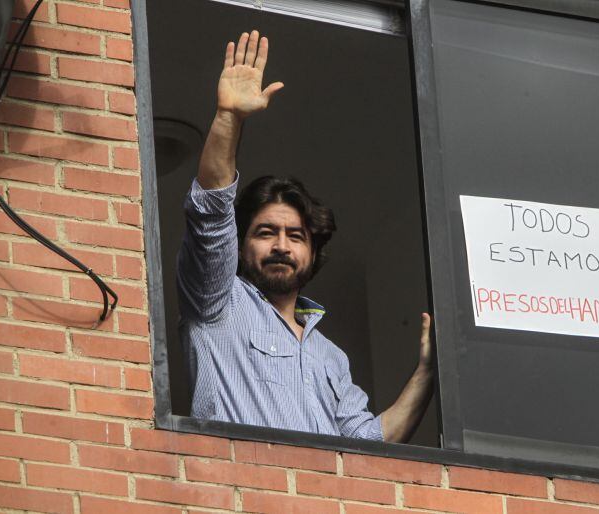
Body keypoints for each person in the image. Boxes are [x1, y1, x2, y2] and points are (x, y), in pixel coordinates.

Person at [178, 30, 434, 443]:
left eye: (295, 236)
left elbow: (371, 444)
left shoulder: (330, 358)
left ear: (313, 254)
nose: (281, 245)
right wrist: (229, 117)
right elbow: (210, 210)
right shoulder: (216, 300)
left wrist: (428, 373)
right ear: (240, 244)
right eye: (266, 232)